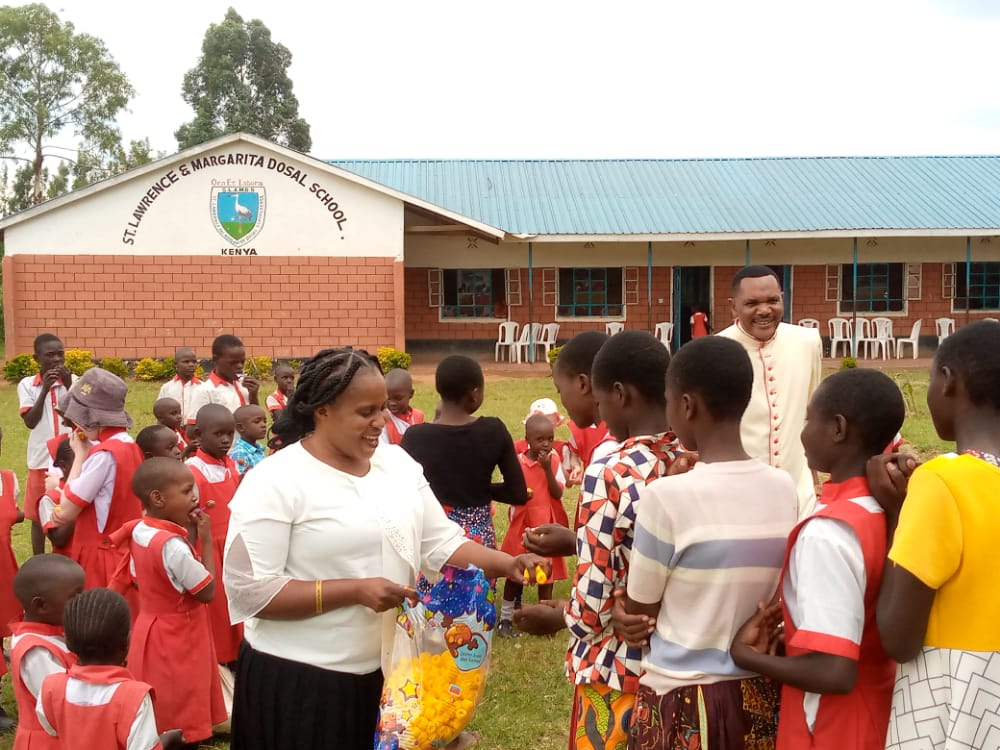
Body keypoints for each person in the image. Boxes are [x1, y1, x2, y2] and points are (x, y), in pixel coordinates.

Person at [222, 347, 550, 750]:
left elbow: (440, 541)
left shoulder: (397, 464)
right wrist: (355, 591)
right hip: (302, 685)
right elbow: (250, 592)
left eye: (381, 409)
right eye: (365, 412)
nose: (380, 421)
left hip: (389, 678)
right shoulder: (275, 480)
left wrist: (508, 562)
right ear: (322, 411)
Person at [729, 367, 903, 749]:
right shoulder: (885, 511)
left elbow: (834, 671)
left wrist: (745, 655)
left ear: (838, 428)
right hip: (878, 712)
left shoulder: (829, 533)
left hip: (830, 728)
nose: (803, 432)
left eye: (809, 419)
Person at [529, 331, 681, 749]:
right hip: (677, 668)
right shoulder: (690, 458)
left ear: (619, 394)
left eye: (600, 400)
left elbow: (593, 596)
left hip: (616, 670)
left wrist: (564, 616)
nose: (600, 412)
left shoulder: (610, 470)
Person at [872, 321, 1000, 750]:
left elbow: (898, 638)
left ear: (947, 381)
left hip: (959, 701)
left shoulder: (942, 481)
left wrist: (896, 511)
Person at [112, 458, 226, 745]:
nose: (195, 498)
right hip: (180, 635)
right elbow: (206, 591)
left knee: (163, 698)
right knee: (185, 699)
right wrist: (206, 540)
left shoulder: (141, 530)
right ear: (158, 498)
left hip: (151, 628)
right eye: (187, 491)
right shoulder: (173, 547)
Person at [717, 265, 823, 519]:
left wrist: (814, 478)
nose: (764, 310)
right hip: (739, 498)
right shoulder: (717, 350)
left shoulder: (808, 342)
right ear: (733, 307)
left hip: (799, 495)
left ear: (782, 299)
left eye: (772, 301)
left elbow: (810, 415)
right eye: (752, 303)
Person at [400, 355, 528, 554]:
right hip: (479, 547)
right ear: (474, 394)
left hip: (435, 542)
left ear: (439, 389)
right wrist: (481, 488)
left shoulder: (415, 437)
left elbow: (402, 493)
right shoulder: (493, 430)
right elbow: (518, 493)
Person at [37, 588, 184, 750]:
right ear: (127, 641)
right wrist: (166, 740)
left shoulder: (51, 687)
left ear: (68, 642)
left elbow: (51, 728)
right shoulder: (133, 697)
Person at [52, 368, 144, 593]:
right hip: (124, 554)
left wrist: (80, 455)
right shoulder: (130, 446)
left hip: (101, 559)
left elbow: (66, 511)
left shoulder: (103, 455)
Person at [498, 414, 569, 638]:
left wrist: (546, 469)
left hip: (546, 524)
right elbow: (510, 490)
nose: (546, 444)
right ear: (527, 439)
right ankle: (505, 619)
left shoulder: (554, 461)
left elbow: (557, 493)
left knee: (546, 576)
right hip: (523, 523)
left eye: (550, 439)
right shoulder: (518, 463)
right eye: (540, 439)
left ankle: (545, 620)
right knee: (515, 574)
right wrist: (520, 495)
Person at [9, 554, 86, 749]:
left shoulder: (51, 629)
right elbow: (59, 704)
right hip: (48, 741)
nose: (82, 600)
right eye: (74, 595)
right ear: (41, 605)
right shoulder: (36, 652)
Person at [186, 404, 242, 668]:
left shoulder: (229, 464)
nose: (226, 440)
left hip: (233, 546)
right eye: (218, 434)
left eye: (230, 434)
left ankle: (239, 654)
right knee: (217, 609)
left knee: (236, 602)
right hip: (209, 549)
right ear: (198, 435)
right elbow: (186, 518)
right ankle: (220, 661)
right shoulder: (192, 471)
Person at [19, 333, 74, 556]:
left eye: (60, 354)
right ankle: (39, 559)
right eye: (50, 355)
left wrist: (68, 385)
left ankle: (68, 553)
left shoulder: (74, 380)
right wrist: (44, 389)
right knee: (37, 513)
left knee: (69, 505)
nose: (57, 360)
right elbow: (30, 421)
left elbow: (81, 414)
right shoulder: (27, 385)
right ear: (37, 359)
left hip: (70, 458)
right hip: (41, 458)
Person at [185, 334, 260, 434]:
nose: (239, 366)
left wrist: (253, 395)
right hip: (225, 444)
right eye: (233, 363)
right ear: (215, 359)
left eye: (242, 362)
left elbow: (257, 419)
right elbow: (191, 430)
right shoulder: (205, 391)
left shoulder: (244, 386)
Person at [39, 437, 77, 557]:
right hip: (67, 564)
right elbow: (58, 539)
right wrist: (79, 505)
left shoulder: (94, 489)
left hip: (92, 561)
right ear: (63, 466)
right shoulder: (50, 498)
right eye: (79, 462)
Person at [379, 368, 424, 445]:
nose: (392, 403)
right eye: (388, 398)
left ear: (411, 394)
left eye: (398, 398)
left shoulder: (418, 416)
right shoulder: (384, 420)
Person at [157, 347, 202, 419]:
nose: (191, 365)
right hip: (173, 426)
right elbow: (160, 412)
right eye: (186, 362)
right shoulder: (167, 388)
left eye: (194, 362)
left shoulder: (203, 388)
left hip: (197, 425)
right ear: (176, 364)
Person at [229, 405, 268, 475]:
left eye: (265, 421)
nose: (263, 425)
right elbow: (241, 480)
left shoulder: (259, 449)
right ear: (241, 427)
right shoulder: (239, 454)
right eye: (257, 421)